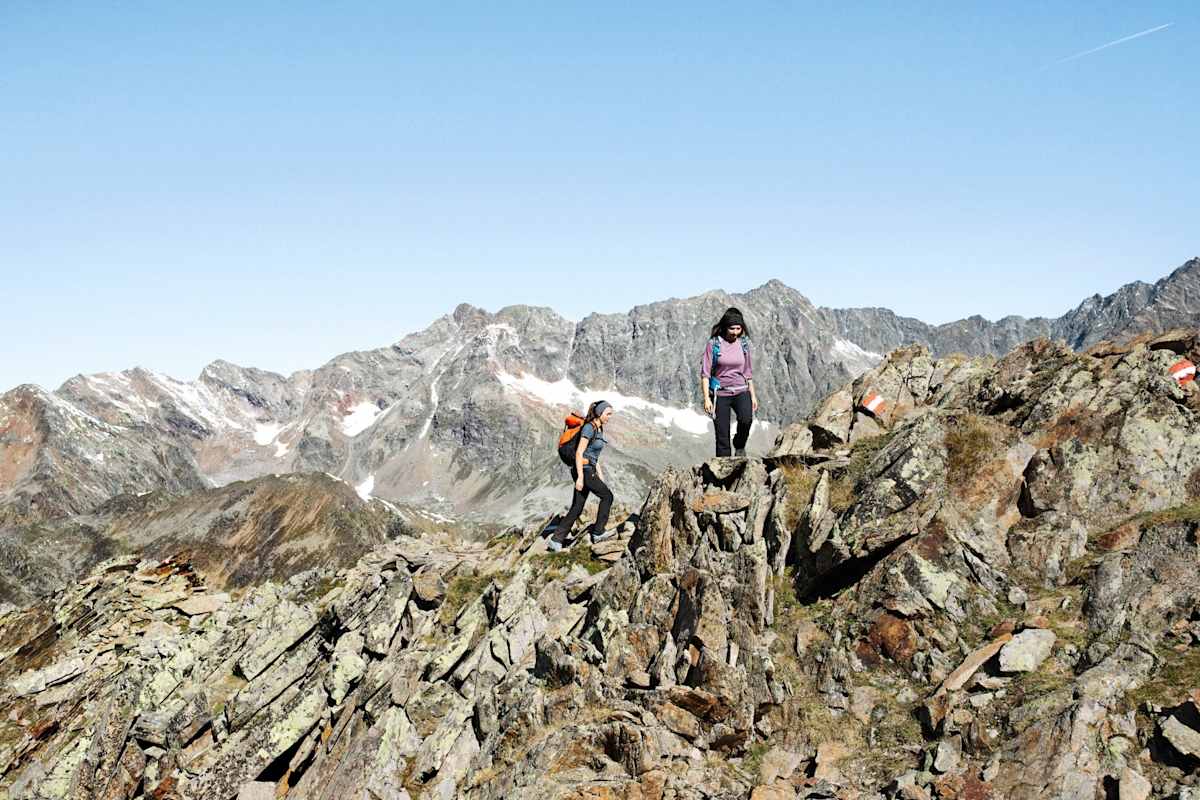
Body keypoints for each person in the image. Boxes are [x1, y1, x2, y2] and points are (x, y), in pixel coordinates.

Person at [547, 400, 617, 551]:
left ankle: (556, 540)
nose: (610, 417)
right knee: (607, 497)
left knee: (577, 507)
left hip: (589, 468)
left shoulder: (599, 429)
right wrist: (579, 477)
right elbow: (579, 453)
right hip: (583, 470)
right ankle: (598, 532)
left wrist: (600, 475)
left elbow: (593, 456)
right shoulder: (589, 428)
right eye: (608, 414)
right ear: (599, 413)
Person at [701, 307, 759, 457]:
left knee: (746, 420)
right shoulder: (714, 344)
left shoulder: (743, 344)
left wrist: (753, 396)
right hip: (720, 394)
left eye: (738, 328)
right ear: (725, 327)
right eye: (732, 328)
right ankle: (723, 468)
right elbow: (705, 374)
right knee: (722, 435)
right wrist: (707, 398)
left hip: (741, 390)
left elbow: (748, 372)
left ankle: (739, 444)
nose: (735, 332)